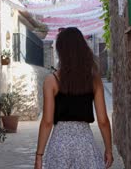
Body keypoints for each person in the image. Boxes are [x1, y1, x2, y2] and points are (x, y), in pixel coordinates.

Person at [34, 27, 113, 169]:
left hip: (60, 146)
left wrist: (39, 155)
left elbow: (47, 121)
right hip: (85, 145)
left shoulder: (51, 81)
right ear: (83, 49)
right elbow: (103, 120)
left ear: (61, 51)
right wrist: (108, 149)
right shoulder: (94, 79)